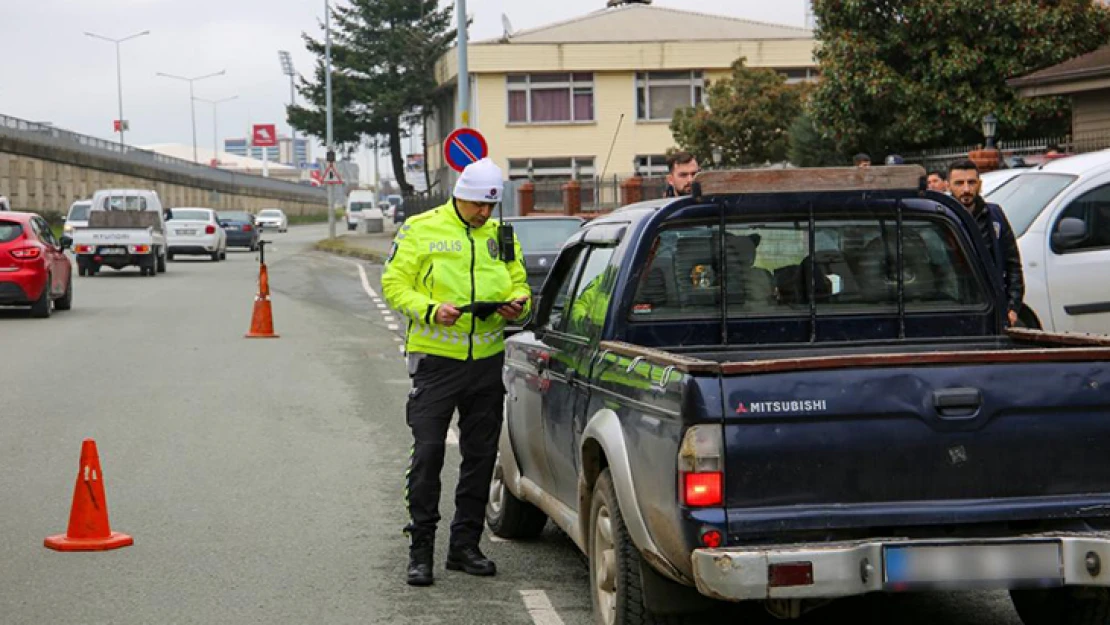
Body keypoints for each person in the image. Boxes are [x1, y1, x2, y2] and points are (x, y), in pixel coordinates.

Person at [381, 157, 531, 587]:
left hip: (486, 361)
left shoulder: (500, 234)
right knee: (428, 454)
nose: (485, 214)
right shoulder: (421, 227)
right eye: (478, 206)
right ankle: (420, 549)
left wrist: (518, 302)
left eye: (491, 206)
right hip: (436, 362)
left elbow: (519, 281)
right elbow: (394, 284)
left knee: (481, 457)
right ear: (460, 196)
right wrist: (430, 311)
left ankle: (464, 546)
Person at [947, 160, 1024, 326]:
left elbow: (1012, 264)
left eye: (971, 182)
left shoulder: (994, 215)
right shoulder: (941, 218)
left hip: (992, 307)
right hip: (955, 306)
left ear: (980, 184)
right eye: (959, 183)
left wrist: (1012, 307)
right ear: (949, 186)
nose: (966, 189)